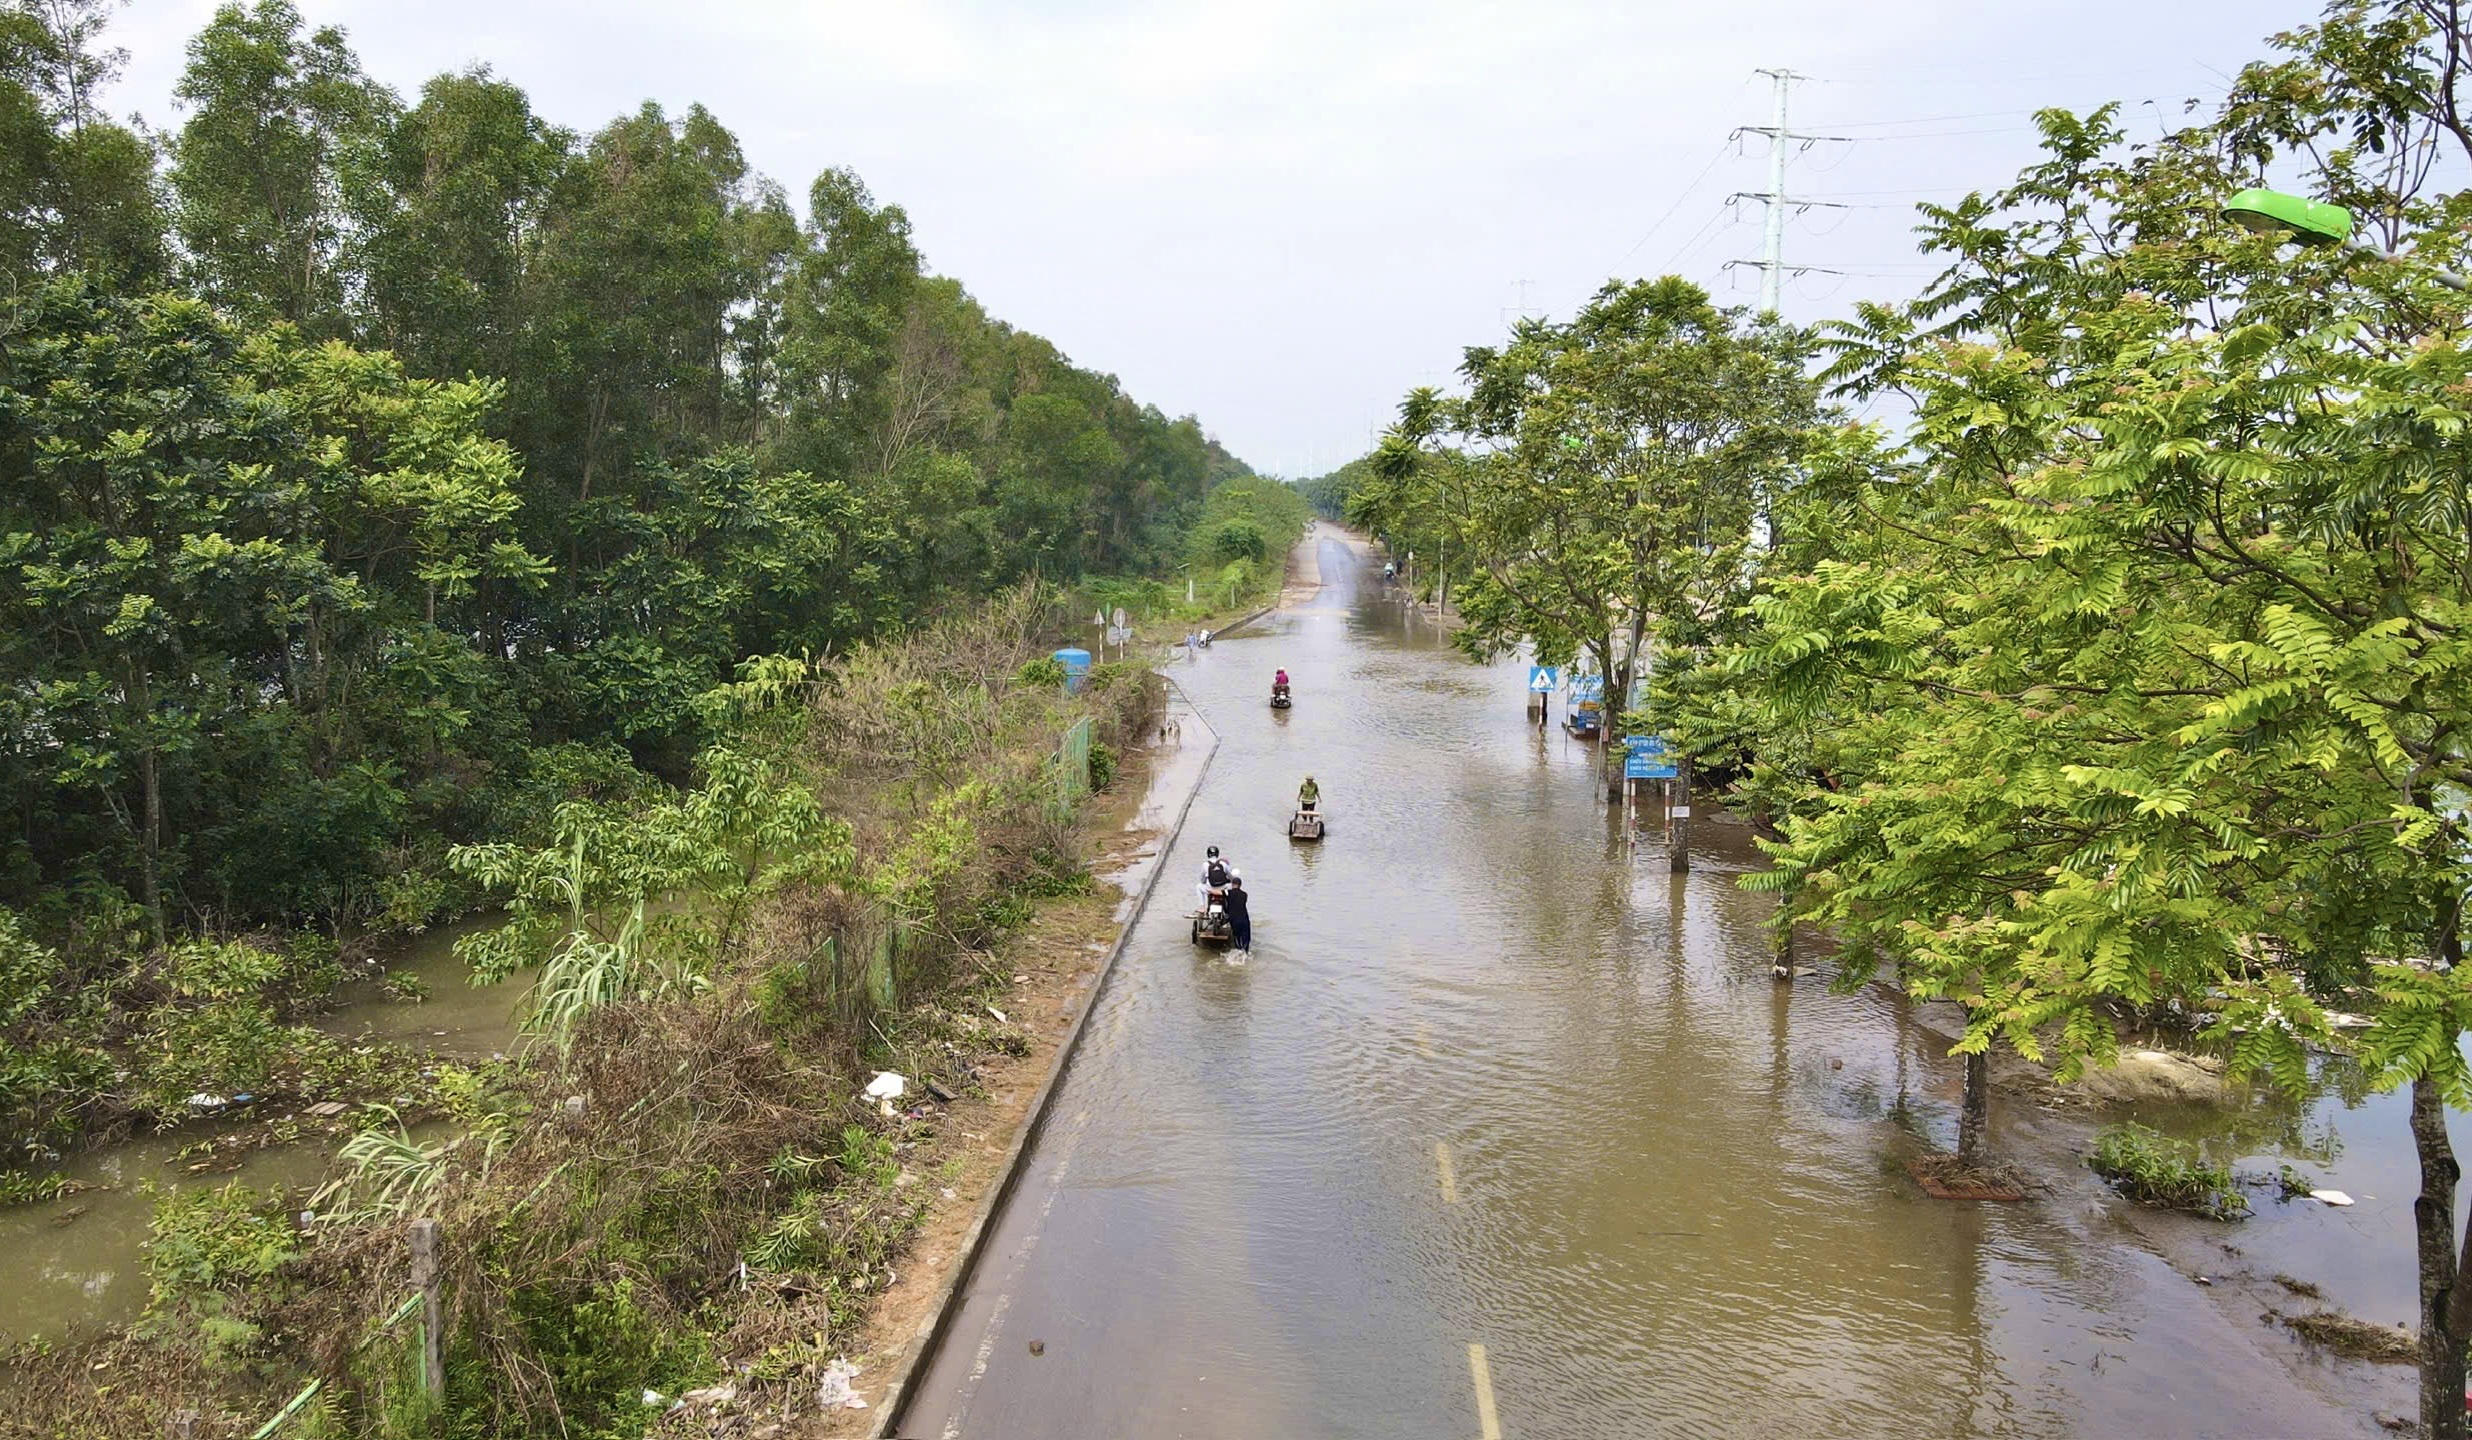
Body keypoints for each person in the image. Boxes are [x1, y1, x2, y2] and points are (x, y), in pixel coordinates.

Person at [1198, 844, 1239, 912]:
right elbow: (1230, 876)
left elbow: (1202, 880)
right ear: (1217, 854)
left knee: (1198, 887)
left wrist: (1205, 882)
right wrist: (1231, 880)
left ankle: (1202, 906)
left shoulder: (1205, 864)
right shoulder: (1223, 863)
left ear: (1208, 854)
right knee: (1233, 888)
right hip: (1223, 888)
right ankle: (1232, 907)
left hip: (1210, 888)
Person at [1220, 874, 1252, 957]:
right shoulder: (1245, 894)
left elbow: (1224, 901)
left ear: (1232, 884)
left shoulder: (1228, 893)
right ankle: (1246, 954)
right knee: (1246, 940)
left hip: (1234, 920)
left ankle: (1238, 955)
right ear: (1240, 885)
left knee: (1237, 939)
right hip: (1244, 919)